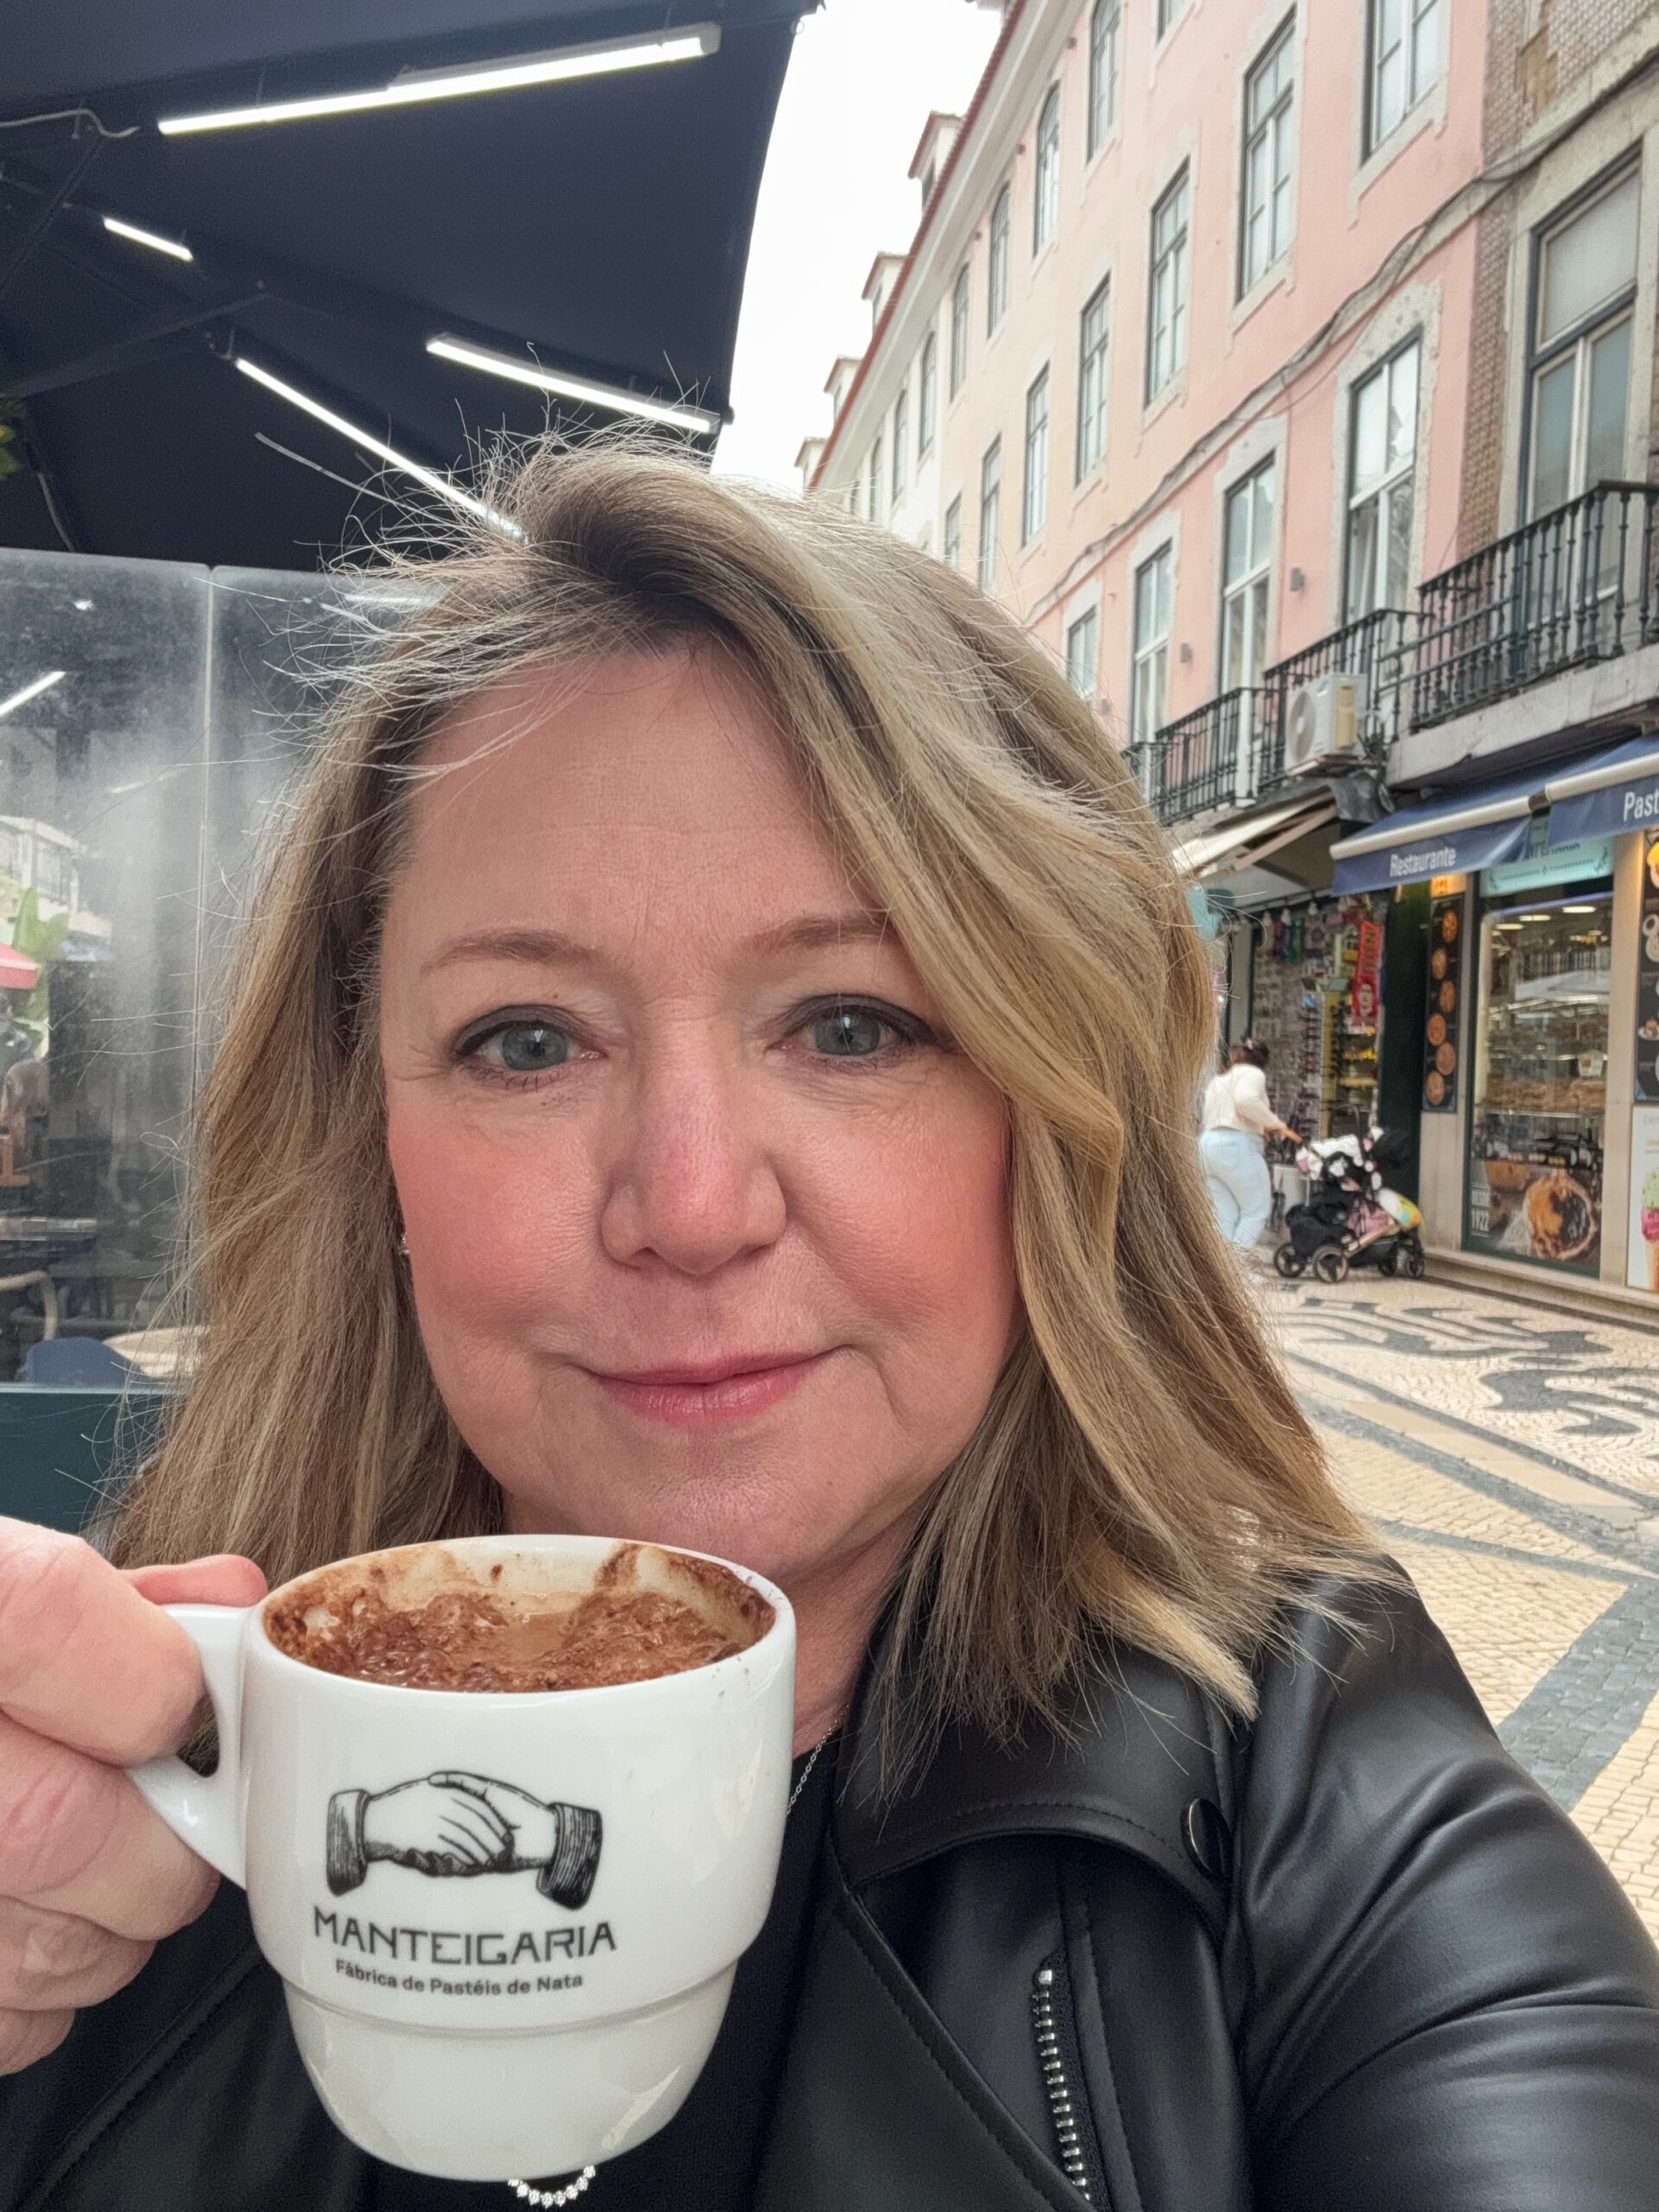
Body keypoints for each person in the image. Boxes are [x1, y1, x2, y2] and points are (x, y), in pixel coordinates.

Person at [0, 443, 1655, 2212]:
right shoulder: (96, 1761)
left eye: (855, 1023)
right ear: (371, 1138)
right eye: (528, 1040)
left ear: (1056, 1122)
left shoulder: (1315, 1794)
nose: (694, 1203)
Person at [1199, 1038, 1294, 1253]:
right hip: (1236, 1146)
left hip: (1208, 1145)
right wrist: (1274, 1123)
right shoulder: (1254, 1074)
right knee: (1257, 1209)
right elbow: (1245, 1101)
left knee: (1225, 1215)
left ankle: (1222, 1271)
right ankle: (1237, 1269)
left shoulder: (1219, 1079)